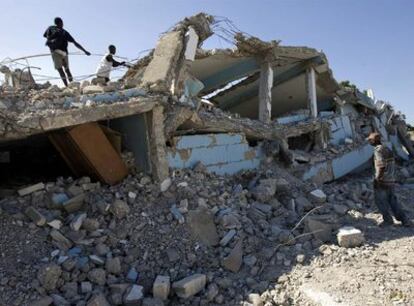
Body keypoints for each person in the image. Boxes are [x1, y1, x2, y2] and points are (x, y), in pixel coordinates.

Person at [367, 132, 412, 227]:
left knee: (381, 201)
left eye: (370, 140)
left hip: (383, 181)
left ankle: (388, 220)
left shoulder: (378, 150)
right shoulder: (387, 148)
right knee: (393, 201)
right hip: (391, 179)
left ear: (375, 140)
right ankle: (404, 220)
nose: (369, 141)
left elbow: (382, 166)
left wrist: (377, 179)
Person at [43, 17, 91, 86]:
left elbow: (45, 36)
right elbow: (75, 43)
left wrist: (51, 40)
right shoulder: (64, 32)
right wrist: (85, 51)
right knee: (67, 69)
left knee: (60, 70)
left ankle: (67, 86)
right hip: (64, 53)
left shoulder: (50, 28)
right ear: (61, 22)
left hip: (55, 52)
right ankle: (72, 85)